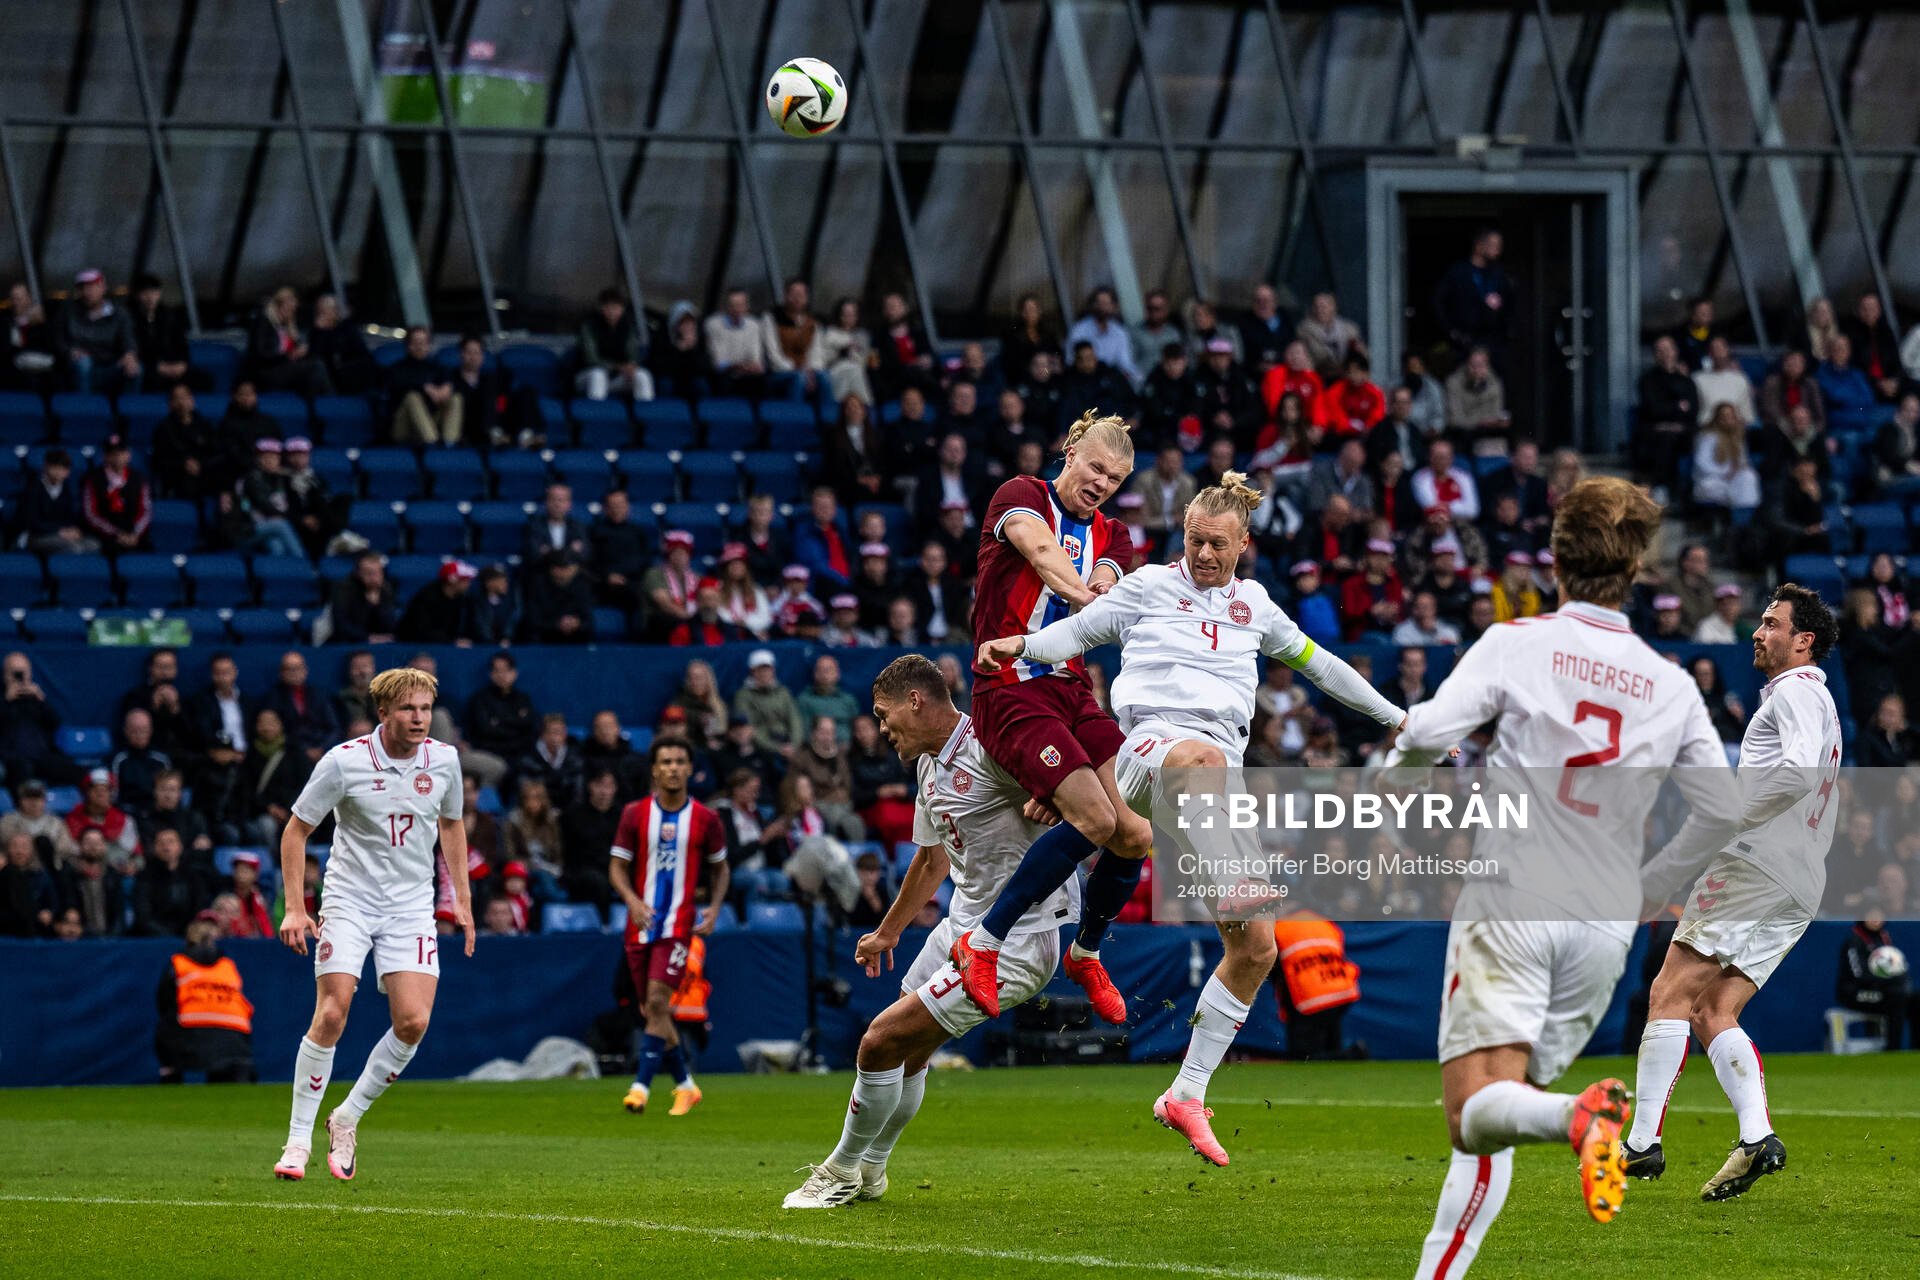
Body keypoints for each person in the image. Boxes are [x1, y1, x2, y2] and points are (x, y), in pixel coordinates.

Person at [976, 474, 1404, 1164]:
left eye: (1217, 544)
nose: (1204, 554)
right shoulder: (1145, 588)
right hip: (1152, 755)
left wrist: (1398, 719)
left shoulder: (1257, 607)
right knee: (1201, 762)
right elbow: (1073, 632)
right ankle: (1223, 882)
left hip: (1212, 785)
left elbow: (1323, 668)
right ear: (1182, 535)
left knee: (1257, 948)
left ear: (1243, 543)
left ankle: (1186, 1092)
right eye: (1194, 541)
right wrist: (1019, 649)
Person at [1391, 477, 1741, 1270]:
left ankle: (1581, 1120)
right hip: (1606, 924)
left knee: (1475, 1110)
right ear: (1639, 569)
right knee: (1501, 1106)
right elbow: (1721, 811)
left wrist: (1388, 784)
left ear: (1554, 559)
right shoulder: (1673, 683)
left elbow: (1431, 733)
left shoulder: (1516, 643)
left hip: (1516, 893)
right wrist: (1656, 882)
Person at [781, 655, 1082, 1209]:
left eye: (883, 713)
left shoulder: (995, 743)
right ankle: (871, 1170)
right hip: (959, 928)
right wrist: (888, 933)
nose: (879, 727)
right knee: (906, 1054)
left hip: (1015, 941)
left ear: (915, 700)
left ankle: (841, 1169)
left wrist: (1055, 800)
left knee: (878, 1041)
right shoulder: (927, 764)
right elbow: (929, 862)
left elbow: (1087, 799)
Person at [1627, 585, 1841, 1201]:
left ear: (1804, 642)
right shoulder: (1820, 703)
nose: (1758, 631)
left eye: (1772, 623)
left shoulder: (1796, 690)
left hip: (1756, 861)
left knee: (1668, 992)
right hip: (1802, 876)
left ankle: (1641, 1143)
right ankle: (1756, 1136)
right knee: (1712, 1010)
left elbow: (1796, 775)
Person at [941, 412, 1148, 1028]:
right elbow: (1042, 554)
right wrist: (1091, 601)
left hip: (1072, 690)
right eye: (1094, 467)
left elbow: (1108, 579)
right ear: (1070, 450)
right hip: (1008, 687)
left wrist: (1107, 597)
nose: (1101, 484)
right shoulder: (1022, 495)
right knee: (1095, 817)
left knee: (1135, 832)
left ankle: (1085, 954)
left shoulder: (1115, 534)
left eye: (1114, 478)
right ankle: (982, 940)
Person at [271, 667, 471, 1181]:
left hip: (410, 907)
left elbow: (451, 825)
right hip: (350, 900)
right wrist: (296, 907)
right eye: (408, 708)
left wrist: (463, 899)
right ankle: (296, 1142)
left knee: (413, 1022)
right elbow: (295, 833)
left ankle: (348, 1117)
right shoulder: (344, 762)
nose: (419, 718)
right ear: (383, 712)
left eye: (425, 709)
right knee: (333, 1012)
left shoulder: (444, 762)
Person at [610, 738, 728, 1118]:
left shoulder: (706, 819)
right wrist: (632, 900)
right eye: (666, 761)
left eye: (680, 760)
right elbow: (616, 867)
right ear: (654, 769)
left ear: (690, 769)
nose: (674, 767)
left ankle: (640, 1087)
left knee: (658, 1002)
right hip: (640, 926)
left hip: (678, 925)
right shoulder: (634, 815)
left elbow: (720, 867)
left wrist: (713, 908)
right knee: (653, 1011)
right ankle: (686, 1086)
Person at [156, 911, 256, 1083]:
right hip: (235, 1040)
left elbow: (163, 1002)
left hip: (189, 1038)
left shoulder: (179, 963)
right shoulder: (227, 965)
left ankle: (170, 1079)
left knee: (166, 1030)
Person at [1433, 228, 1512, 365]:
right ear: (1479, 246)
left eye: (1499, 246)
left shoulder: (1499, 274)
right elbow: (1438, 301)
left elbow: (1510, 304)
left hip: (1492, 343)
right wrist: (1452, 331)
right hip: (1464, 342)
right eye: (1493, 246)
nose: (1498, 251)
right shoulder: (1458, 272)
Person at [61, 268, 141, 393]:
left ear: (103, 287)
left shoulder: (119, 313)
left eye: (92, 286)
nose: (87, 292)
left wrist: (129, 355)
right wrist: (70, 351)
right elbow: (58, 339)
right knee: (83, 364)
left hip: (111, 365)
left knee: (135, 368)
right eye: (83, 288)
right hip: (79, 367)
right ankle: (84, 409)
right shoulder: (68, 312)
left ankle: (131, 410)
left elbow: (128, 339)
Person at [245, 286, 332, 398]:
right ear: (278, 305)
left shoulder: (288, 327)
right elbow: (260, 354)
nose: (291, 312)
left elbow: (301, 351)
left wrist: (315, 332)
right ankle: (331, 403)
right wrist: (289, 355)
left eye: (293, 309)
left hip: (284, 370)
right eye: (288, 308)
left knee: (316, 364)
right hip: (266, 373)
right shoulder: (263, 322)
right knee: (316, 366)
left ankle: (316, 405)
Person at [13, 447, 97, 556]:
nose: (59, 472)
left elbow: (71, 517)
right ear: (46, 467)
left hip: (62, 535)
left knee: (93, 545)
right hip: (37, 536)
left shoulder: (68, 490)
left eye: (63, 469)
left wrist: (73, 530)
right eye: (55, 467)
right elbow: (32, 522)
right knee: (73, 548)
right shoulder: (33, 489)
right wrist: (59, 531)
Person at [575, 287, 653, 402]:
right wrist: (618, 367)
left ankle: (646, 416)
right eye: (608, 307)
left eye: (616, 307)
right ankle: (596, 417)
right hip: (587, 376)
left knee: (642, 375)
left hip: (615, 378)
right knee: (598, 375)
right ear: (601, 308)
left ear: (622, 309)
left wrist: (631, 365)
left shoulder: (627, 328)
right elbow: (591, 359)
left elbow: (632, 354)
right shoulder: (589, 327)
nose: (612, 311)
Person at [388, 326, 462, 445]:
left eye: (424, 342)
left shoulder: (436, 367)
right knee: (412, 397)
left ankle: (449, 444)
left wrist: (447, 388)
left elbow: (453, 383)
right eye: (416, 343)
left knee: (455, 398)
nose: (420, 347)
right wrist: (425, 387)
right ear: (408, 345)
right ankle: (432, 443)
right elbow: (398, 387)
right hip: (404, 427)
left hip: (431, 420)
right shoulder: (398, 368)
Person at [398, 559, 478, 645]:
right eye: (465, 580)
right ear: (452, 580)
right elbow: (421, 630)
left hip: (440, 643)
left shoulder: (459, 598)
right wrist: (451, 641)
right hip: (412, 644)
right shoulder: (427, 597)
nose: (468, 584)